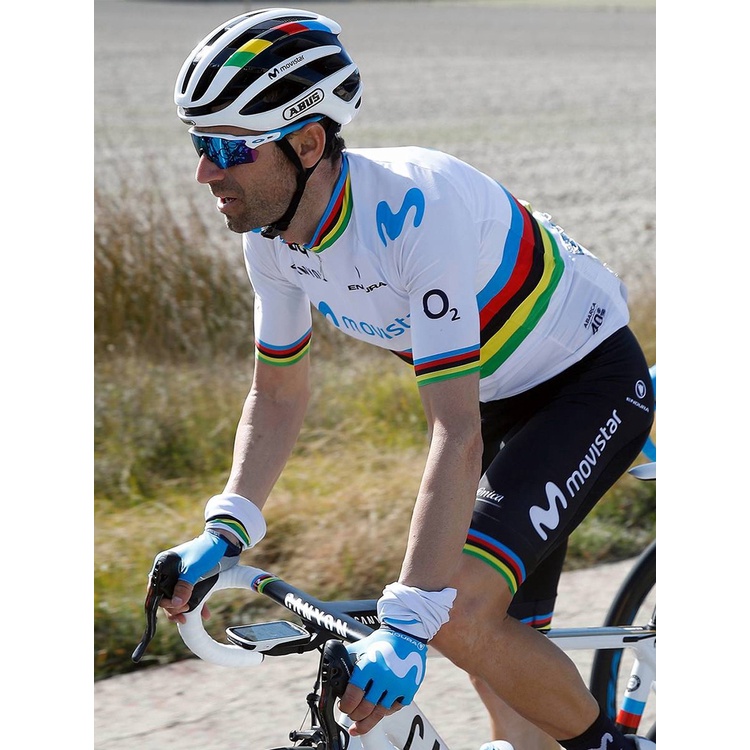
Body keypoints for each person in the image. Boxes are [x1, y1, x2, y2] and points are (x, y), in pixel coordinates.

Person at [151, 8, 655, 750]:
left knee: (455, 615)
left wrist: (412, 621)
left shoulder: (416, 210)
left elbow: (454, 430)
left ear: (308, 142)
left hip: (584, 383)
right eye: (200, 144)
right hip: (497, 398)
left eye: (228, 147)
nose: (205, 171)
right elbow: (278, 394)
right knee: (507, 697)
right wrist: (226, 528)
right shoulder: (273, 239)